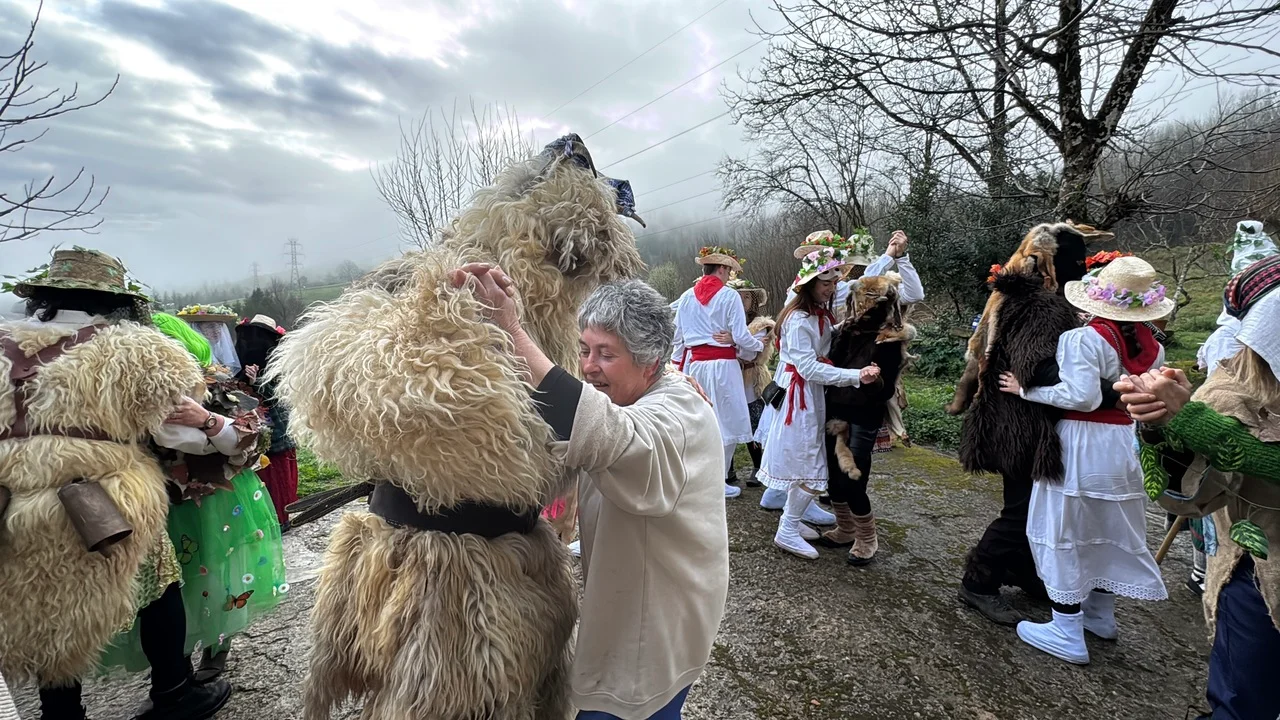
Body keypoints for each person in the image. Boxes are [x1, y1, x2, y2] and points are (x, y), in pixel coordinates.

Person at [454, 264, 729, 720]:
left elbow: (605, 433)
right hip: (665, 602)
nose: (587, 366)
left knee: (627, 704)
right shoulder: (651, 388)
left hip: (655, 619)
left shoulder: (675, 415)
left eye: (605, 353)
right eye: (583, 349)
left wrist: (512, 330)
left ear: (650, 361)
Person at [0, 248, 231, 720]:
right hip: (101, 502)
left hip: (9, 498)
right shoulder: (134, 350)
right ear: (116, 300)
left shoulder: (3, 343)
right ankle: (174, 692)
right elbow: (178, 434)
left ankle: (61, 713)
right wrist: (218, 429)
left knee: (44, 599)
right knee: (157, 583)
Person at [1121, 254, 1280, 720]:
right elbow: (1189, 493)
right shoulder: (1236, 384)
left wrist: (1186, 417)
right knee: (1245, 698)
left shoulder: (1147, 341)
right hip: (1262, 570)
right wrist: (1162, 425)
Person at [997, 255, 1173, 664]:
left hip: (1082, 441)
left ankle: (1066, 629)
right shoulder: (1154, 346)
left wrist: (1026, 390)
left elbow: (1082, 397)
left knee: (1064, 527)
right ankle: (1100, 615)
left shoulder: (1084, 338)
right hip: (1123, 442)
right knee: (1105, 525)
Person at [99, 313, 288, 683]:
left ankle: (217, 645)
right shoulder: (125, 395)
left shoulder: (213, 386)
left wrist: (207, 420)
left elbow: (251, 441)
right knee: (173, 582)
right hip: (160, 503)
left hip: (216, 502)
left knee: (218, 573)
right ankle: (177, 659)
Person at [951, 221, 1114, 626]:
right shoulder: (1041, 306)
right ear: (1053, 264)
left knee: (1035, 507)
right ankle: (978, 582)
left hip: (1020, 420)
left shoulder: (1037, 299)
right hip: (1020, 425)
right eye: (1077, 263)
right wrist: (1108, 389)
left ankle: (1023, 571)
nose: (1083, 270)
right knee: (1022, 510)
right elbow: (1034, 368)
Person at [756, 247, 881, 559]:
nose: (831, 288)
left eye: (834, 282)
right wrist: (856, 375)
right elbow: (808, 368)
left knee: (804, 460)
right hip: (800, 398)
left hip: (809, 395)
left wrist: (849, 325)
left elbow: (822, 341)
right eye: (825, 283)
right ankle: (787, 528)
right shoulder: (799, 319)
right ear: (809, 285)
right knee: (810, 463)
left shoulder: (818, 314)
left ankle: (793, 520)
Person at [818, 274, 913, 565]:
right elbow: (832, 364)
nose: (865, 305)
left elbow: (886, 389)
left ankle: (867, 538)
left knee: (853, 477)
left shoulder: (890, 338)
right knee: (832, 477)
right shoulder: (847, 329)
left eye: (872, 299)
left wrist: (874, 380)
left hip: (864, 413)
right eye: (862, 298)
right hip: (835, 409)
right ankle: (846, 528)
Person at [671, 246, 764, 499]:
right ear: (722, 268)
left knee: (701, 421)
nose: (730, 275)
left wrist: (678, 365)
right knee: (728, 422)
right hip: (724, 367)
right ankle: (718, 481)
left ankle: (698, 478)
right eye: (729, 270)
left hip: (696, 367)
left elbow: (678, 338)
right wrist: (758, 345)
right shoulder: (729, 296)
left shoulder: (686, 297)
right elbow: (742, 336)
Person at [236, 314, 298, 530]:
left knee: (280, 474)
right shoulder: (245, 360)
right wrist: (249, 382)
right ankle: (274, 517)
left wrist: (257, 383)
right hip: (262, 432)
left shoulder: (279, 364)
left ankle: (282, 516)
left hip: (278, 431)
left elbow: (278, 397)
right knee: (269, 475)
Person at [722, 277, 774, 487]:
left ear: (753, 301)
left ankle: (758, 466)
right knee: (727, 421)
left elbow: (749, 352)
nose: (742, 301)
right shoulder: (724, 321)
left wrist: (733, 341)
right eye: (738, 297)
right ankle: (728, 468)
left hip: (751, 379)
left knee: (753, 423)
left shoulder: (760, 325)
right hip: (728, 376)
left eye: (746, 297)